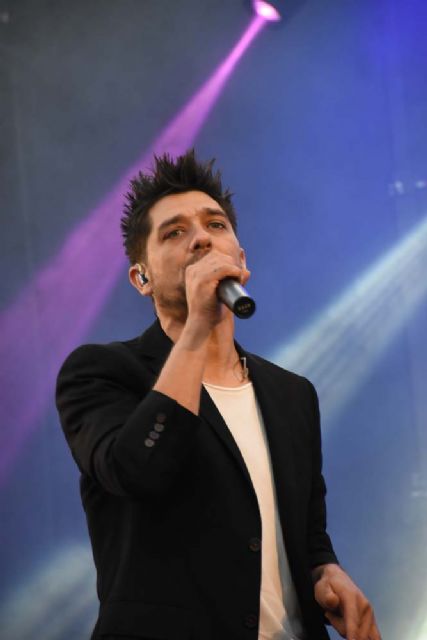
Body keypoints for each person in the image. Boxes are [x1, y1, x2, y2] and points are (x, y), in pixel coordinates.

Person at [56, 149, 381, 640]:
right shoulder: (102, 372)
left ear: (241, 259)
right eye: (174, 232)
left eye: (215, 225)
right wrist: (196, 329)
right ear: (141, 278)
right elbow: (138, 471)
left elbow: (308, 534)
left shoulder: (292, 393)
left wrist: (325, 572)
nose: (202, 238)